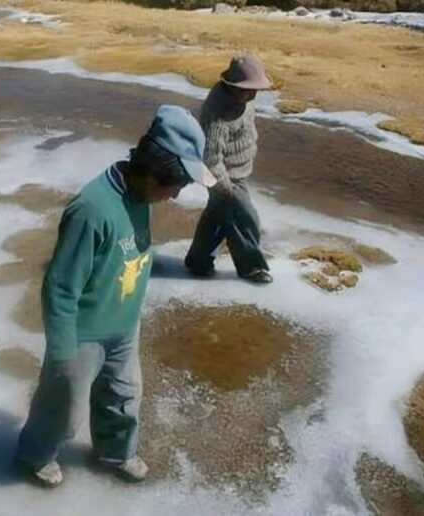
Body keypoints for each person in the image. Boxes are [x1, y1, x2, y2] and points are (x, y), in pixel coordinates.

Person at [16, 105, 215, 487]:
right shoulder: (92, 209)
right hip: (83, 333)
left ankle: (115, 451)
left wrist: (129, 318)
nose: (176, 195)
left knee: (124, 397)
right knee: (63, 409)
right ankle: (34, 454)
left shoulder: (142, 198)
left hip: (123, 327)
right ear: (154, 170)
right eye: (176, 184)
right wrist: (62, 352)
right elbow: (59, 285)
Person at [184, 54, 273, 284]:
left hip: (239, 171)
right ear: (231, 86)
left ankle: (198, 261)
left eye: (255, 90)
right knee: (245, 218)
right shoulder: (217, 112)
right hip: (223, 176)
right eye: (247, 90)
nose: (252, 95)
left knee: (216, 218)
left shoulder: (245, 98)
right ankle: (251, 268)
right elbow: (211, 158)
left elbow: (246, 129)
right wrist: (225, 188)